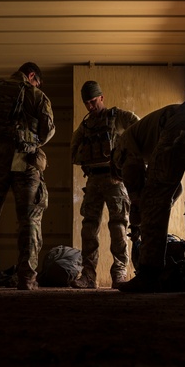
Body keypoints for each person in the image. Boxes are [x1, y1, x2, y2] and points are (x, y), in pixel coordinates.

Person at [109, 100, 185, 293]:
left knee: (154, 196)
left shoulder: (122, 144)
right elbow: (176, 189)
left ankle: (149, 273)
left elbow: (133, 173)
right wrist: (152, 210)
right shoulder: (148, 142)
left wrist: (139, 204)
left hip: (183, 122)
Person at [0, 62, 55, 290]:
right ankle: (26, 278)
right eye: (37, 81)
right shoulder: (37, 95)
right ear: (32, 75)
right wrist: (28, 141)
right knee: (30, 220)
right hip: (24, 161)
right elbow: (48, 130)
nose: (36, 84)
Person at [69, 80, 140, 289]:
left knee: (118, 228)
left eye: (93, 101)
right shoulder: (85, 126)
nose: (91, 106)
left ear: (102, 97)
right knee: (89, 229)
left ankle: (119, 274)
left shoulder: (119, 117)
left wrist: (127, 157)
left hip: (115, 180)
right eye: (87, 103)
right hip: (93, 181)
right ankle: (88, 276)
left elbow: (140, 131)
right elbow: (73, 152)